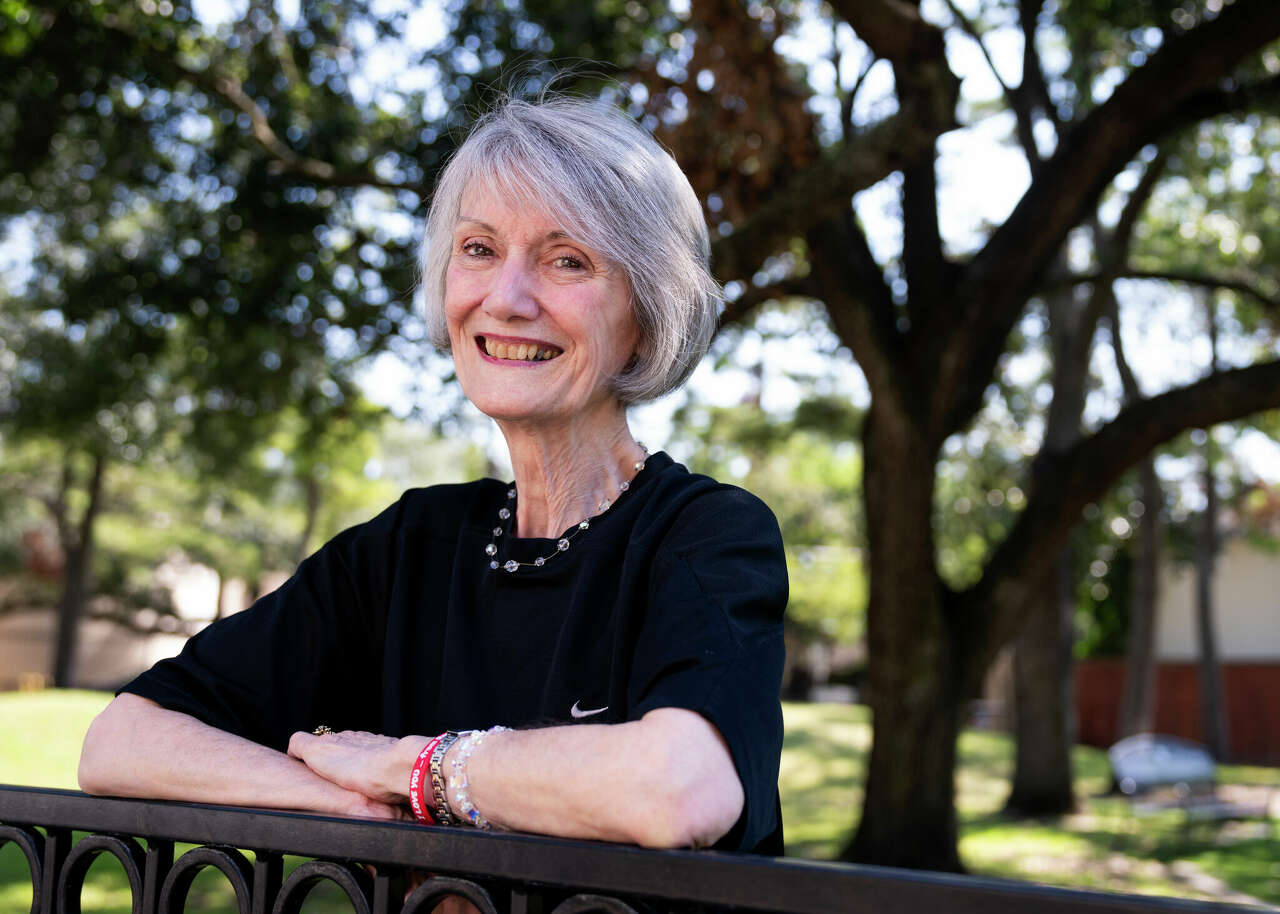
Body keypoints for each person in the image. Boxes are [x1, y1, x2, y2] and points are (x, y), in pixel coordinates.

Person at [78, 94, 788, 856]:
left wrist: (417, 769)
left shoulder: (706, 535)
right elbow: (121, 741)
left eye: (566, 260)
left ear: (646, 314)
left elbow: (679, 790)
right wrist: (355, 806)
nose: (505, 299)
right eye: (479, 249)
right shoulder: (411, 546)